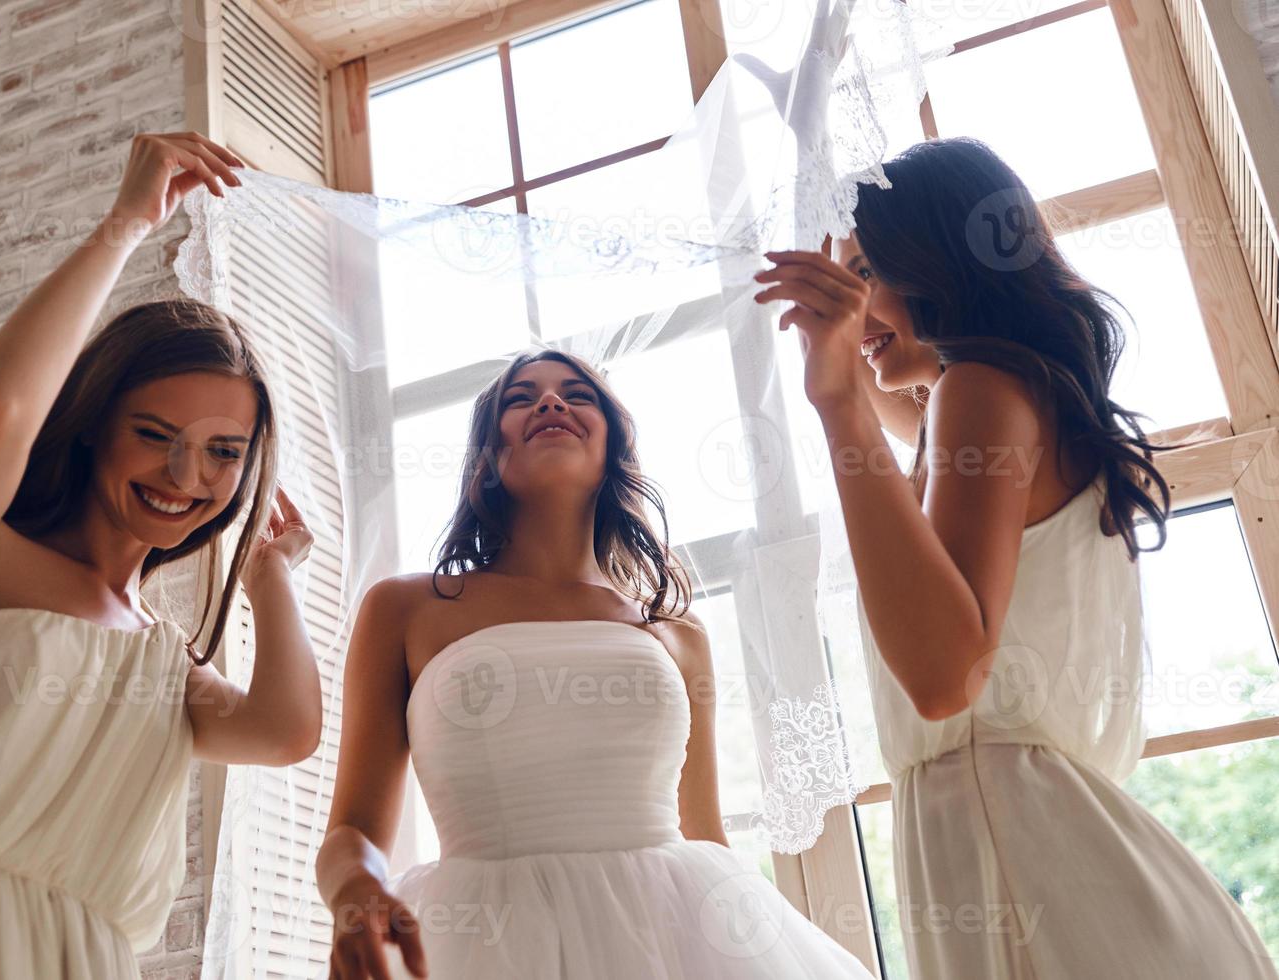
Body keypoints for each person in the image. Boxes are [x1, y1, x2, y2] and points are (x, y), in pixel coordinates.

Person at [755, 135, 1278, 978]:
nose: (852, 313)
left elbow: (942, 678)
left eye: (866, 273)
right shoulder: (986, 401)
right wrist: (849, 359)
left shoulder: (982, 389)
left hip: (1031, 868)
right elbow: (911, 460)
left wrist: (840, 401)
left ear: (937, 261)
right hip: (1039, 857)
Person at [0, 132, 325, 979]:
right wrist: (125, 224)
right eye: (153, 436)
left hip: (78, 956)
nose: (185, 475)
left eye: (223, 452)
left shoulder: (161, 659)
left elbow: (284, 731)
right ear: (91, 425)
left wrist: (272, 575)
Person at [315, 349, 873, 979]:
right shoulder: (405, 608)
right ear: (484, 459)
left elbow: (704, 835)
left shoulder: (676, 631)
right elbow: (352, 831)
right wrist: (355, 895)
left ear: (614, 446)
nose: (551, 402)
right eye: (521, 398)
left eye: (576, 394)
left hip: (673, 941)